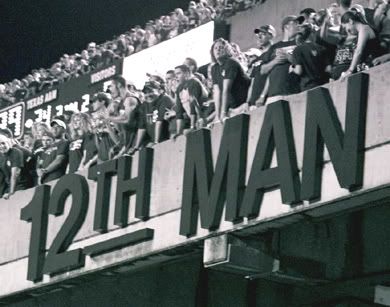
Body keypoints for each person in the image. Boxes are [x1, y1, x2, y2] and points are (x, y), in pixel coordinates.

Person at [259, 16, 301, 104]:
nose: (299, 26)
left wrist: (288, 57)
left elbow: (304, 65)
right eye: (295, 23)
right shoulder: (274, 47)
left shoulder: (299, 44)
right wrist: (275, 61)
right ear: (286, 27)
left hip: (293, 92)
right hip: (273, 95)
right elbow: (263, 70)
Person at [332, 10, 380, 81]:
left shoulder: (364, 28)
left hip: (375, 67)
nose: (348, 31)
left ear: (351, 21)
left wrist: (350, 70)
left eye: (346, 28)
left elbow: (358, 51)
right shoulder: (360, 32)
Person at [210, 38, 250, 122]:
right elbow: (217, 93)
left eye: (221, 47)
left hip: (243, 104)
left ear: (227, 50)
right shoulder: (214, 68)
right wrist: (218, 115)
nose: (218, 50)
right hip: (232, 108)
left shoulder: (231, 63)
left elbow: (226, 90)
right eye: (215, 48)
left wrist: (223, 113)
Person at [131, 80, 174, 152]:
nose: (148, 95)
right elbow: (142, 128)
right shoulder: (144, 105)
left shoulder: (165, 99)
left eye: (150, 91)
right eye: (145, 93)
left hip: (167, 141)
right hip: (154, 142)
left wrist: (156, 142)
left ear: (160, 91)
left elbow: (159, 122)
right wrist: (136, 147)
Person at [107, 76, 140, 158]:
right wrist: (112, 116)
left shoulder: (130, 99)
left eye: (111, 86)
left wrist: (108, 117)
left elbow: (126, 119)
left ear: (118, 85)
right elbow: (120, 129)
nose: (110, 90)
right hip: (126, 144)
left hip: (136, 145)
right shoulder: (120, 103)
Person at [290, 24, 330, 91]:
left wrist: (292, 69)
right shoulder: (322, 48)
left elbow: (298, 71)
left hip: (307, 87)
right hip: (323, 85)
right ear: (312, 33)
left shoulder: (298, 49)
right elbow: (328, 69)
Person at [247, 24, 276, 107]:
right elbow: (252, 83)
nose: (259, 37)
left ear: (270, 35)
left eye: (262, 34)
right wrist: (247, 102)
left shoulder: (273, 52)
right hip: (253, 103)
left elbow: (271, 75)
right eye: (258, 35)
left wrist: (262, 96)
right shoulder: (256, 60)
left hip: (265, 100)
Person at [37, 116, 70, 184]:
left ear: (63, 129)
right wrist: (39, 171)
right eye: (53, 127)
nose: (54, 129)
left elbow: (59, 160)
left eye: (57, 127)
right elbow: (40, 162)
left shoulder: (64, 142)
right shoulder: (49, 146)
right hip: (44, 180)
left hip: (56, 179)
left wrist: (45, 171)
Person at [0, 134, 33, 199]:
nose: (2, 146)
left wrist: (11, 193)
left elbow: (15, 175)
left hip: (21, 185)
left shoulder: (16, 152)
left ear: (8, 142)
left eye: (3, 143)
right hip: (9, 187)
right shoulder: (1, 156)